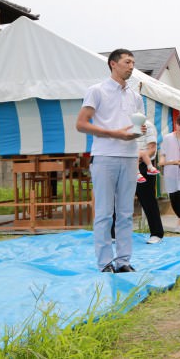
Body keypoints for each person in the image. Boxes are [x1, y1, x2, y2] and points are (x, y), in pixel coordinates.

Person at [76, 48, 142, 273]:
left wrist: (138, 131)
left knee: (125, 213)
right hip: (104, 156)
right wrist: (116, 133)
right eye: (127, 62)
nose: (131, 66)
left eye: (133, 62)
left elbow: (138, 125)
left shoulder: (136, 96)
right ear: (113, 64)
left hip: (130, 156)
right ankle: (105, 263)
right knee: (104, 213)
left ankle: (123, 261)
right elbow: (81, 124)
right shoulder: (97, 91)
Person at [135, 119, 165, 244]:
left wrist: (139, 157)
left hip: (143, 164)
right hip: (126, 164)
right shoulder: (124, 124)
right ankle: (113, 234)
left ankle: (156, 233)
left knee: (147, 200)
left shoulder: (147, 126)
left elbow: (152, 149)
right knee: (118, 199)